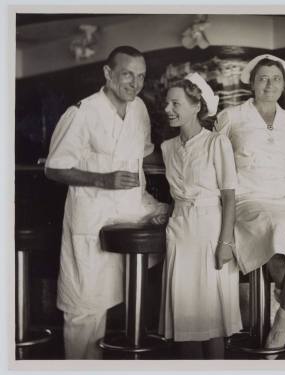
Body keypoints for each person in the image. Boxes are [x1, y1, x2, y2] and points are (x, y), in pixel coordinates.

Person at [45, 46, 166, 359]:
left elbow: (145, 153)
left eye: (141, 76)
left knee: (186, 227)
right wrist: (102, 179)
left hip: (133, 212)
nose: (135, 83)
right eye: (128, 74)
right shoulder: (81, 112)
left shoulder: (139, 107)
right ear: (108, 73)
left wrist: (189, 149)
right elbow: (54, 167)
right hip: (93, 217)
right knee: (86, 307)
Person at [215, 54, 285, 353]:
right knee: (276, 238)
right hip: (249, 196)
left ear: (284, 85)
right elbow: (212, 154)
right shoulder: (231, 116)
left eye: (275, 79)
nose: (269, 84)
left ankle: (283, 319)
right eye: (263, 78)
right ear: (251, 82)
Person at [152, 73, 242, 359]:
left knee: (212, 316)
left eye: (175, 103)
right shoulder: (167, 148)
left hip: (211, 230)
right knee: (185, 317)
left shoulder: (217, 143)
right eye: (167, 104)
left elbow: (229, 197)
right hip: (179, 229)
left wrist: (225, 243)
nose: (168, 109)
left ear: (196, 106)